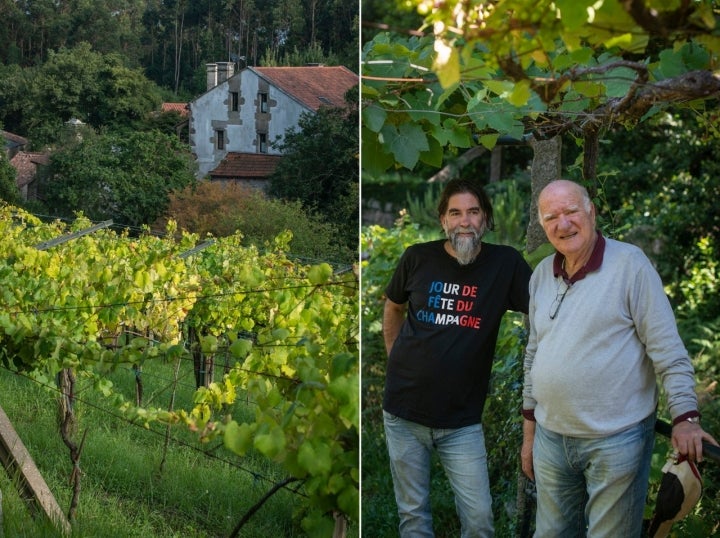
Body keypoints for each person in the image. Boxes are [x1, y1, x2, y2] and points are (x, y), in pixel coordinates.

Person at [520, 179, 718, 537]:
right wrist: (530, 430)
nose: (562, 224)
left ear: (591, 211)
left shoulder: (631, 266)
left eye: (571, 212)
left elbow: (668, 351)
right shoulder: (540, 276)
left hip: (616, 440)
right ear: (542, 224)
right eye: (552, 217)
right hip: (551, 438)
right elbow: (534, 353)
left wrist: (685, 417)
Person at [382, 178, 532, 537]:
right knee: (414, 517)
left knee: (480, 521)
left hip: (462, 422)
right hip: (402, 412)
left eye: (473, 212)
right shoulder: (417, 257)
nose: (465, 221)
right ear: (443, 221)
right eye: (456, 213)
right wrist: (394, 359)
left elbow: (544, 313)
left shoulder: (506, 265)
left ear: (486, 220)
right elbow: (394, 306)